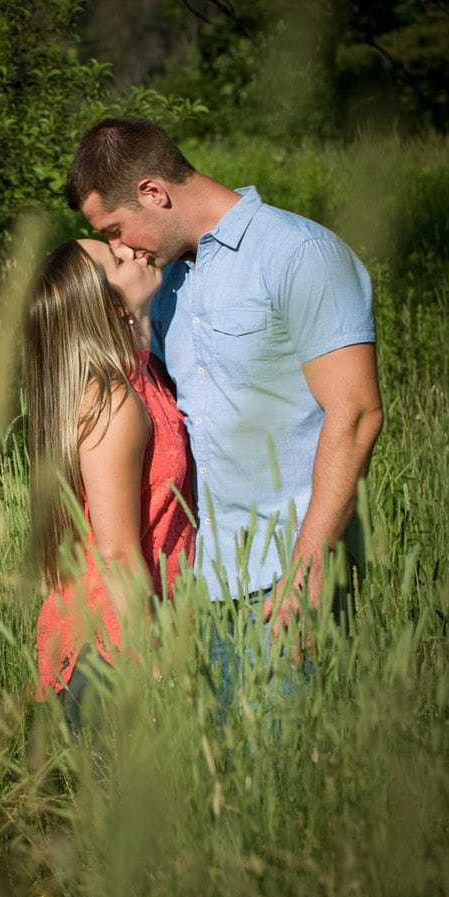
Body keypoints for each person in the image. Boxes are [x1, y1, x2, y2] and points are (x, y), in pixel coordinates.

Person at [63, 117, 384, 713]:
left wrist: (307, 574)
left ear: (154, 192)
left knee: (285, 780)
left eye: (116, 228)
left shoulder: (301, 254)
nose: (120, 248)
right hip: (191, 588)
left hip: (283, 577)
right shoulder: (160, 285)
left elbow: (358, 412)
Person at [27, 239, 196, 735]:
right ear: (104, 304)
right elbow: (118, 554)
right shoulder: (111, 403)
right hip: (114, 653)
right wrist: (156, 666)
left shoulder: (140, 378)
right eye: (116, 260)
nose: (131, 250)